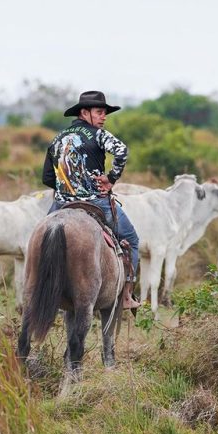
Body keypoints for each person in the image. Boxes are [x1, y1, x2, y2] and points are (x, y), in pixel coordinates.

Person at [42, 90, 140, 309]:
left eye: (105, 113)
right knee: (132, 240)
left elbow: (47, 177)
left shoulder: (57, 139)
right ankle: (126, 295)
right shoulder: (98, 135)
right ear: (84, 113)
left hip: (61, 203)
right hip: (97, 202)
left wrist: (68, 188)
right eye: (99, 112)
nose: (103, 117)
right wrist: (111, 178)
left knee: (40, 242)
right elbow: (122, 151)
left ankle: (39, 290)